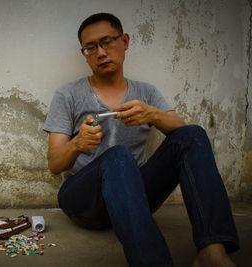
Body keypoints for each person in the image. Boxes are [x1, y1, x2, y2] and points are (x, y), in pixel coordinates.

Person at [43, 13, 239, 266]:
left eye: (107, 42)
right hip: (83, 202)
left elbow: (186, 138)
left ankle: (212, 252)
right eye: (90, 47)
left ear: (124, 41)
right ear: (84, 53)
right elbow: (54, 164)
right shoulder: (68, 94)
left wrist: (153, 114)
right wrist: (77, 143)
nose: (100, 52)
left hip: (134, 199)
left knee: (194, 133)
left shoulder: (146, 92)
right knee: (117, 156)